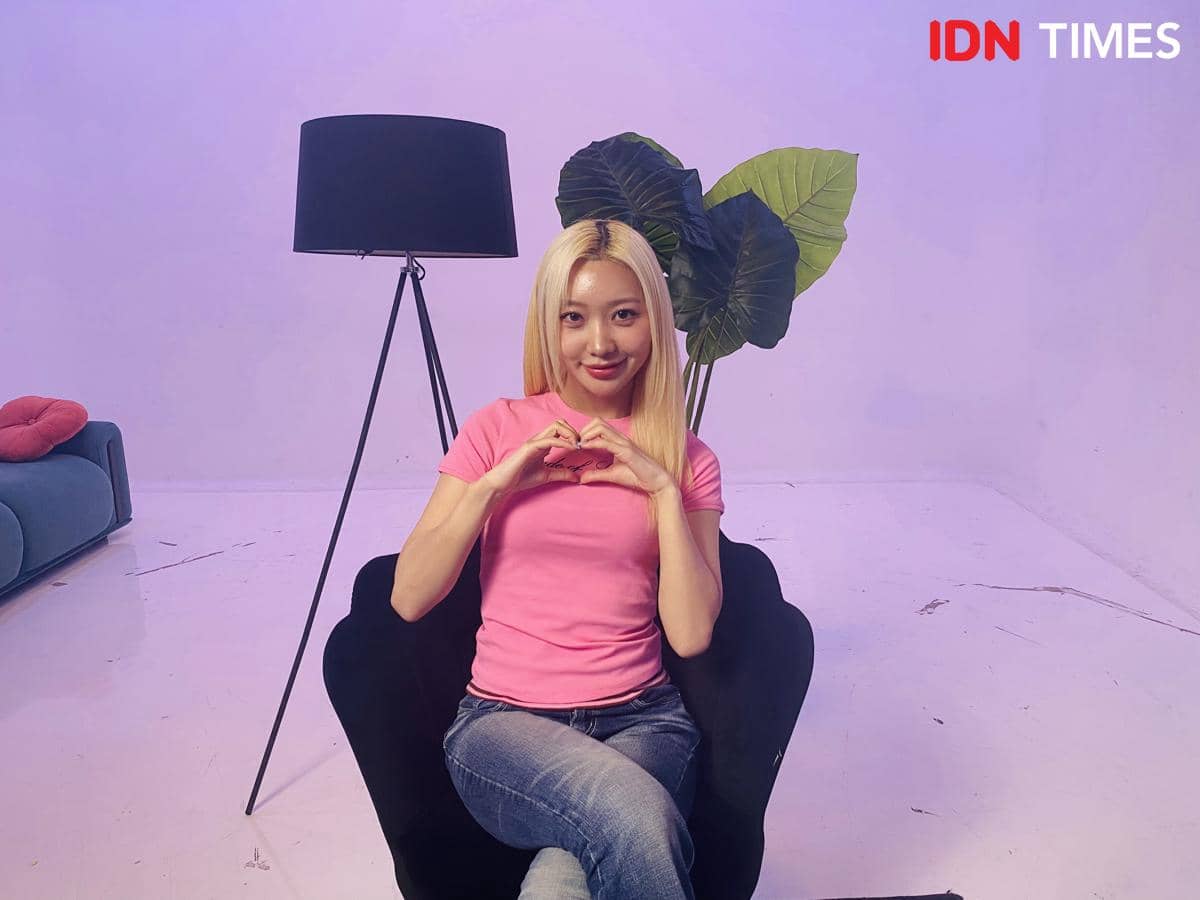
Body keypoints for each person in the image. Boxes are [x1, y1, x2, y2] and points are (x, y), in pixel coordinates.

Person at [390, 218, 725, 900]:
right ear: (550, 324)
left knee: (562, 881)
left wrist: (663, 491)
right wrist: (492, 488)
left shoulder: (687, 456)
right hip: (502, 728)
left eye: (624, 315)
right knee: (633, 812)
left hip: (645, 722)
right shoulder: (495, 429)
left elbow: (691, 634)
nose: (600, 343)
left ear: (654, 322)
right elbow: (409, 597)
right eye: (575, 317)